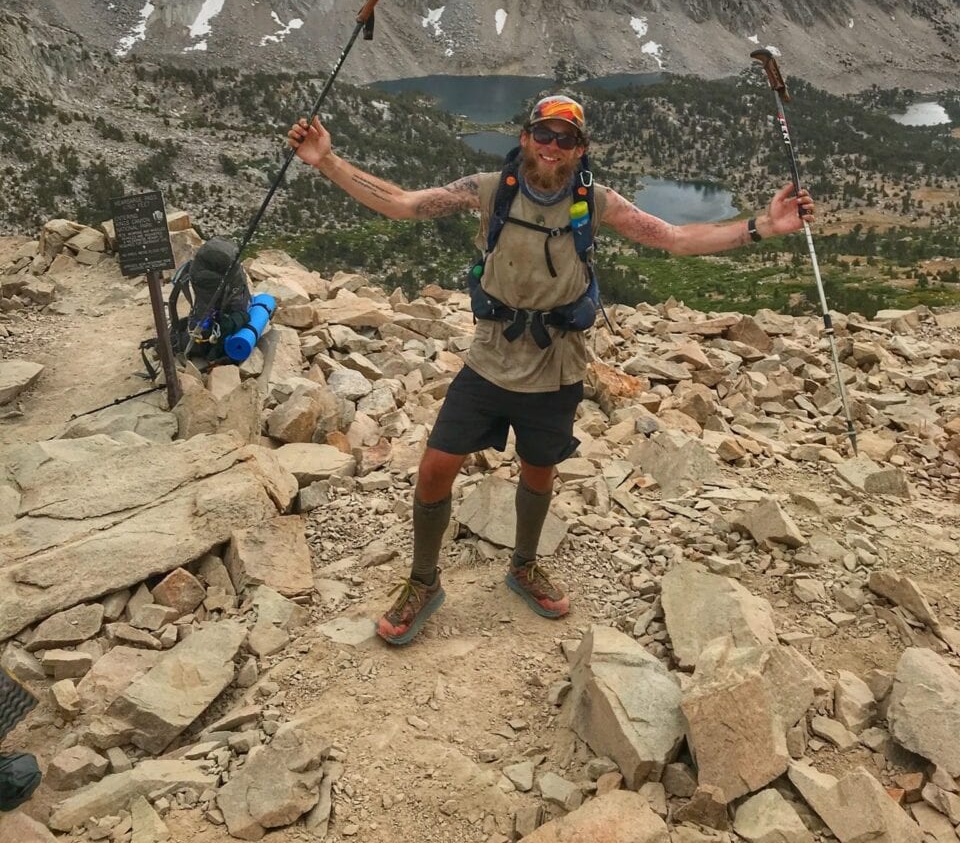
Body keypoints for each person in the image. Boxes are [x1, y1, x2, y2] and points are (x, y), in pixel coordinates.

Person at [288, 93, 814, 645]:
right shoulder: (489, 190)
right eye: (545, 133)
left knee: (540, 470)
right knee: (436, 467)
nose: (553, 146)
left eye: (566, 138)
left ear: (579, 148)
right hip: (491, 356)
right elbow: (401, 203)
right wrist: (327, 159)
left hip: (557, 362)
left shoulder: (597, 201)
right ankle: (423, 581)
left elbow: (676, 239)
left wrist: (763, 227)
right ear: (526, 138)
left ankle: (523, 565)